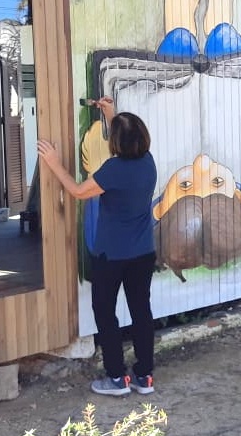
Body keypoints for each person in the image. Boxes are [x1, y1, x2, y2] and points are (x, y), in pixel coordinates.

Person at [36, 97, 158, 397]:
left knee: (105, 312)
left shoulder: (113, 170)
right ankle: (144, 377)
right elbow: (125, 144)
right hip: (142, 253)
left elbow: (79, 192)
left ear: (116, 142)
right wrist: (111, 116)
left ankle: (117, 379)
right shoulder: (148, 161)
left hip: (112, 255)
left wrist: (54, 163)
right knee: (141, 311)